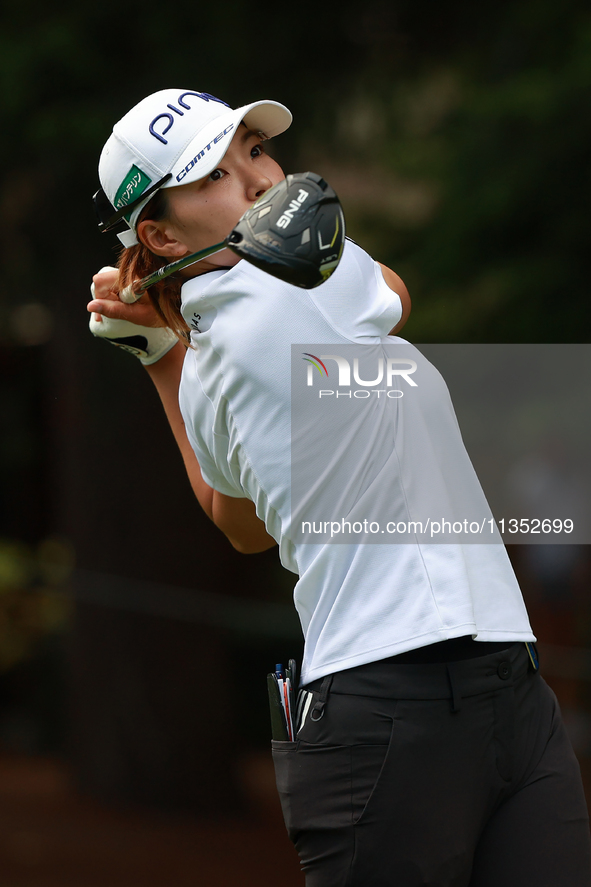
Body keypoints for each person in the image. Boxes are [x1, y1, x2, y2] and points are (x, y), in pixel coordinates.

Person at [88, 89, 591, 887]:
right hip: (389, 710)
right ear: (158, 232)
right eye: (214, 174)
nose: (257, 180)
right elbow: (397, 291)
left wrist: (156, 350)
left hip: (508, 690)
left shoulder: (210, 360)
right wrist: (168, 333)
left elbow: (238, 521)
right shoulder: (299, 289)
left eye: (254, 151)